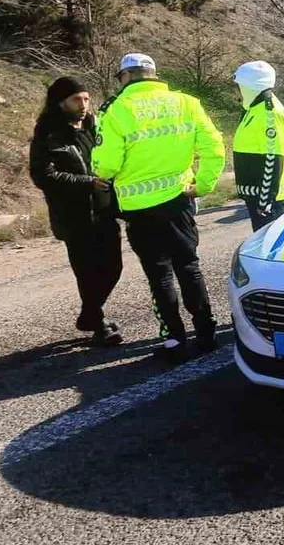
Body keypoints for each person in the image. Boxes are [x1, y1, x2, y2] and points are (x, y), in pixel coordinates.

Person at [92, 53, 226, 362]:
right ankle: (206, 333)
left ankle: (174, 341)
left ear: (124, 77)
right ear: (154, 74)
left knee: (160, 274)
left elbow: (106, 166)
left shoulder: (116, 111)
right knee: (189, 267)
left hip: (139, 209)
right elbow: (214, 147)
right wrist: (202, 185)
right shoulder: (186, 102)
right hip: (179, 200)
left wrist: (99, 170)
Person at [29, 77, 124, 347]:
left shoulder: (96, 127)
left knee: (113, 267)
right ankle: (98, 323)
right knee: (88, 273)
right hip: (73, 216)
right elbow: (43, 176)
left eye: (86, 98)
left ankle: (90, 315)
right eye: (76, 100)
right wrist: (87, 183)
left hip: (104, 210)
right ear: (60, 103)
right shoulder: (48, 134)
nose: (83, 105)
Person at [232, 60, 284, 231]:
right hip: (256, 195)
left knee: (267, 248)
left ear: (250, 86)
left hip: (267, 199)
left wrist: (266, 200)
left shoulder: (269, 115)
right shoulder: (253, 110)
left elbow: (273, 159)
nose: (237, 90)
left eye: (240, 85)